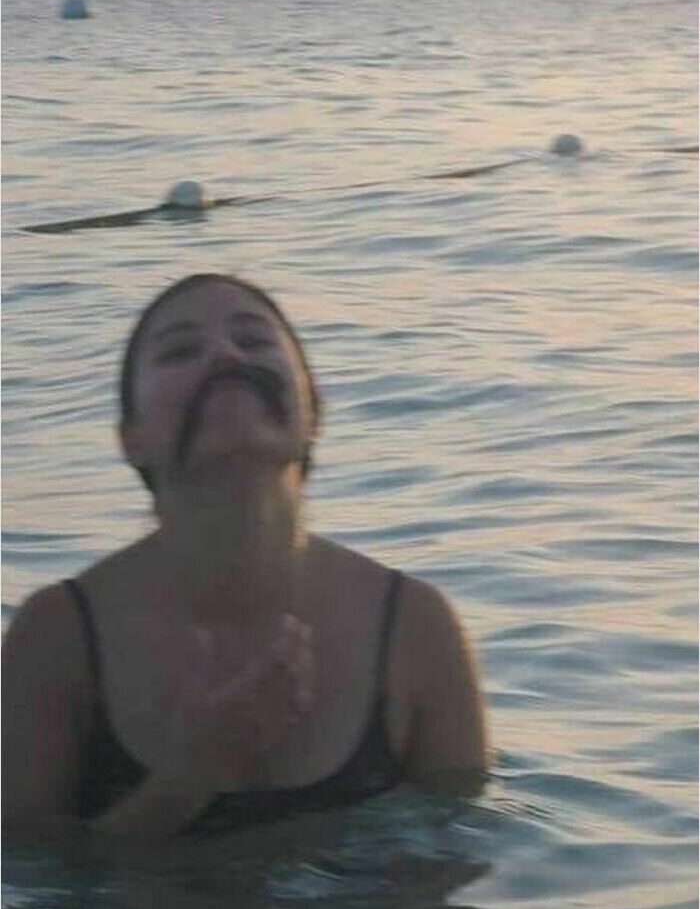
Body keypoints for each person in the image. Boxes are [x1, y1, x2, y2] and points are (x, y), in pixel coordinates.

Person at [3, 272, 487, 846]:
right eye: (182, 350)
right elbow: (25, 884)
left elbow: (454, 897)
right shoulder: (57, 637)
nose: (226, 355)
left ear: (314, 412)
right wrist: (189, 778)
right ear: (131, 438)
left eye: (254, 341)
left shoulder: (416, 629)